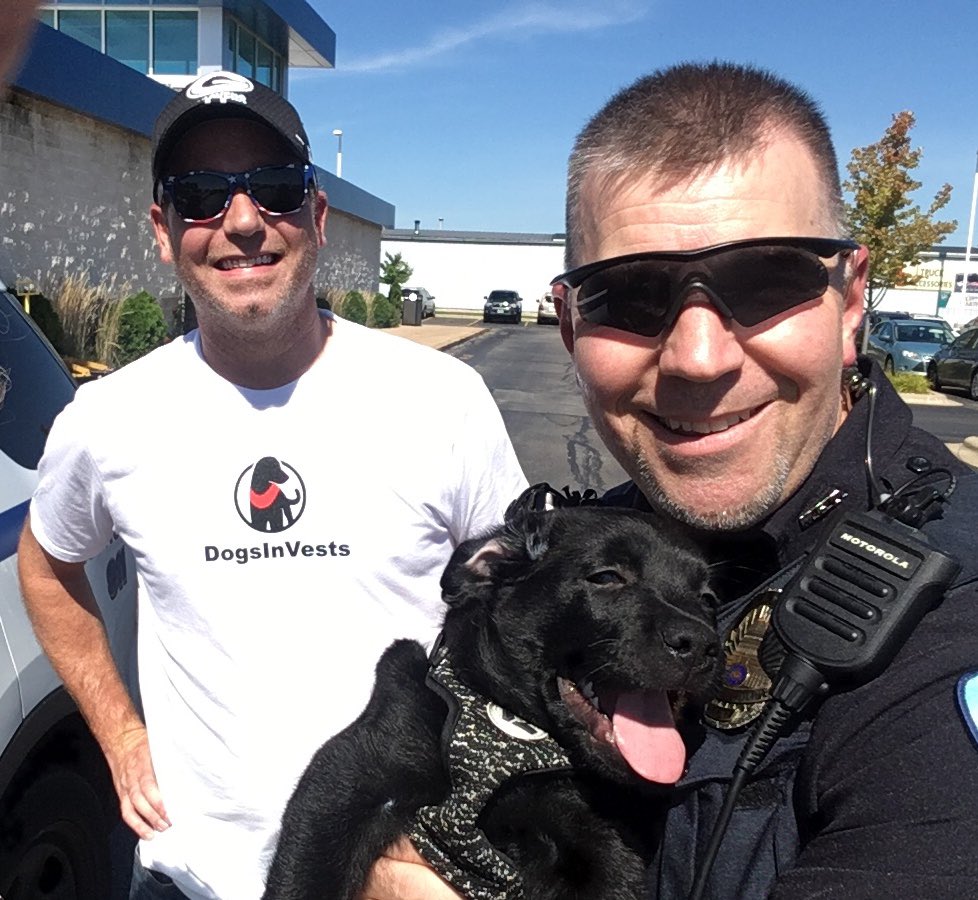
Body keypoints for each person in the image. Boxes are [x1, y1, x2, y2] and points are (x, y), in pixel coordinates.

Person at [359, 61, 978, 899]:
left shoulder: (951, 618)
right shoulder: (608, 538)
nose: (697, 356)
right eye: (633, 294)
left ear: (852, 297)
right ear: (571, 322)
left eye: (766, 280)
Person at [17, 71, 527, 900]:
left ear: (317, 217)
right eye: (203, 194)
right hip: (194, 878)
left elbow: (521, 609)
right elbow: (47, 566)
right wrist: (118, 732)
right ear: (163, 228)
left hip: (403, 873)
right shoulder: (107, 420)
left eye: (276, 190)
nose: (243, 222)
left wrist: (478, 809)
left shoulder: (440, 400)